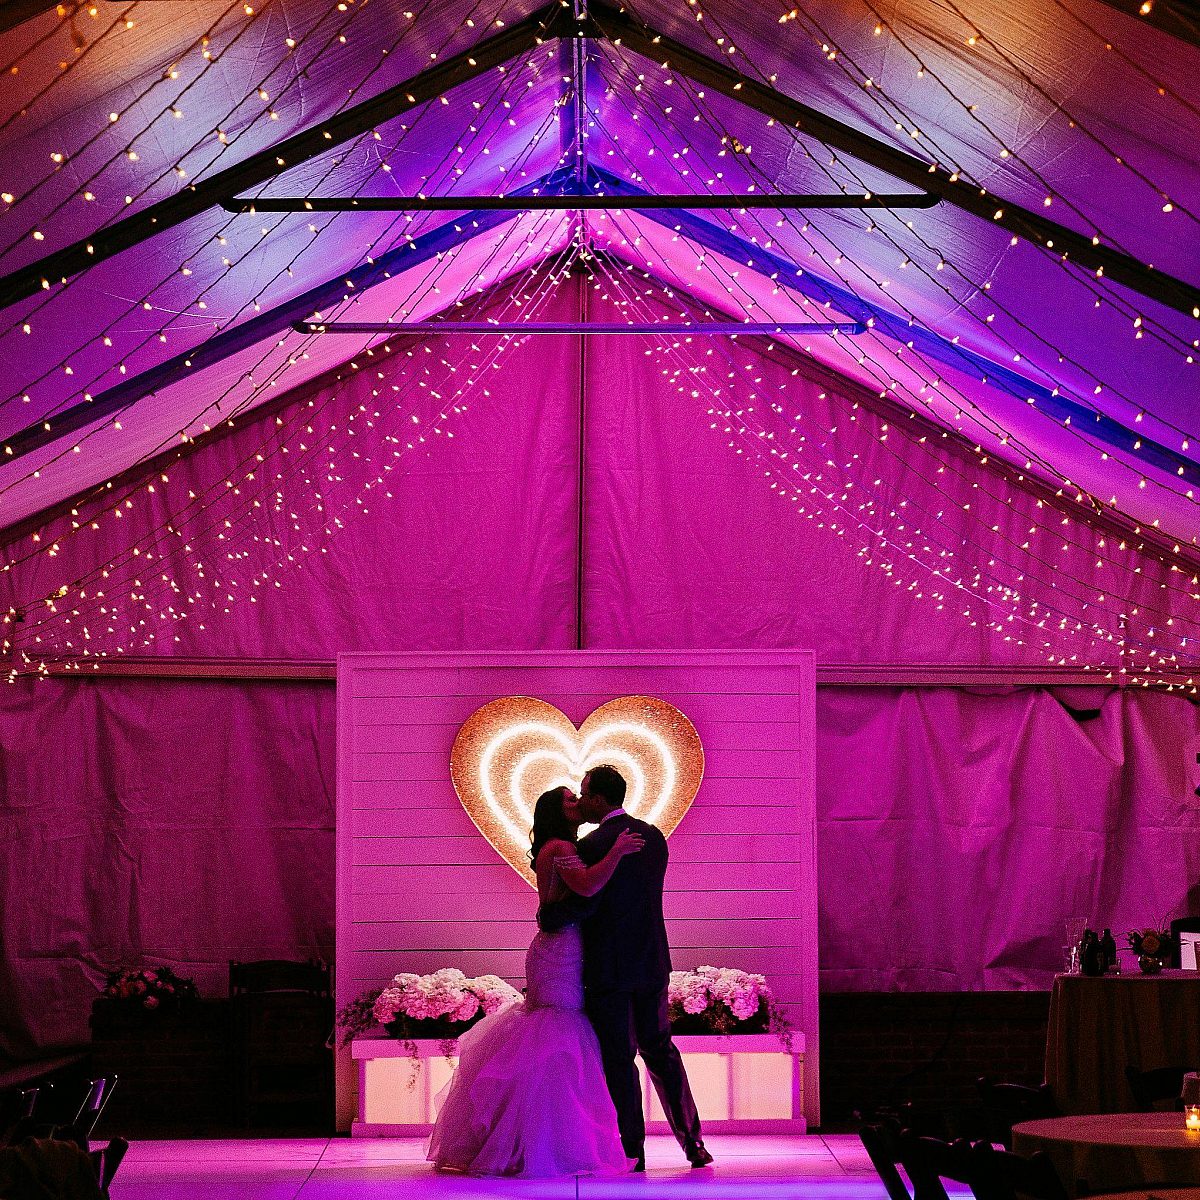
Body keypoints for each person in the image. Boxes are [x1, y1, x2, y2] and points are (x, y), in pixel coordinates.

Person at [427, 785, 643, 1178]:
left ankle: (535, 1140)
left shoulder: (552, 847)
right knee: (557, 1034)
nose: (577, 804)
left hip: (556, 945)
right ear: (557, 812)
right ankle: (547, 1144)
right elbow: (587, 886)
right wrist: (616, 852)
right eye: (569, 800)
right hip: (561, 950)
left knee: (549, 1033)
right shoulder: (561, 847)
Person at [539, 765, 712, 1171]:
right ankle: (693, 1143)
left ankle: (633, 1150)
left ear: (600, 799)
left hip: (608, 966)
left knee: (619, 1058)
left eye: (584, 795)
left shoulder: (591, 845)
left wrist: (548, 916)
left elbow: (586, 903)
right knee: (662, 1050)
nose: (581, 802)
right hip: (651, 959)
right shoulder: (653, 837)